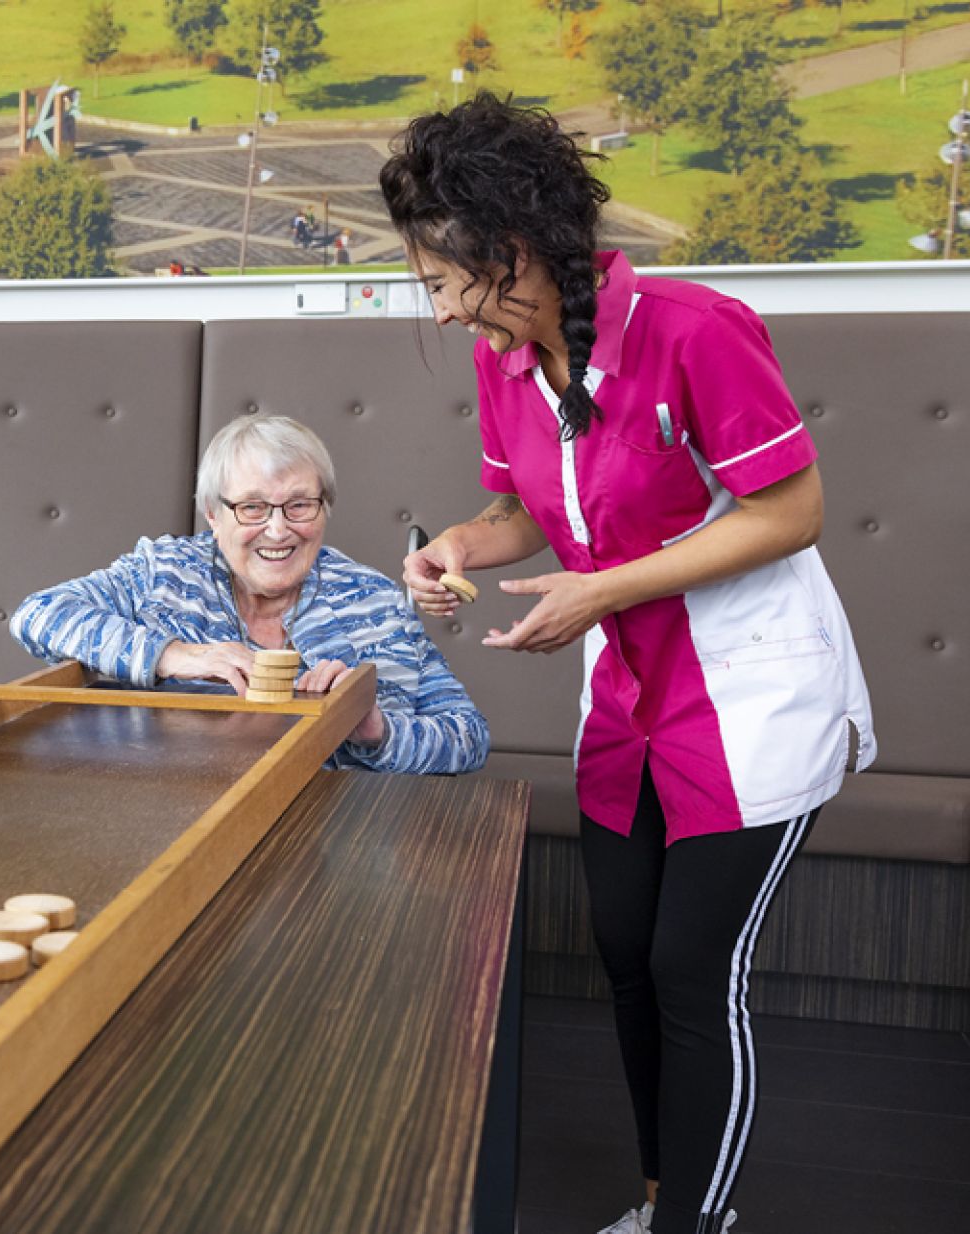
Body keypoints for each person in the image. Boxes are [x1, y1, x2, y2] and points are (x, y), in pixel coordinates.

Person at [381, 95, 875, 1234]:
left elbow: (791, 509)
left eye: (452, 282)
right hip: (632, 700)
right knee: (625, 952)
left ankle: (699, 1222)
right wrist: (459, 543)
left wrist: (604, 590)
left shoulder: (694, 328)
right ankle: (663, 1198)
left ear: (515, 251)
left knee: (695, 969)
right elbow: (528, 511)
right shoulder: (510, 364)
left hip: (750, 694)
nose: (450, 312)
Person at [10, 415, 488, 775]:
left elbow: (468, 737)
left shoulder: (374, 601)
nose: (278, 530)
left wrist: (376, 731)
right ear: (213, 513)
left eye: (299, 505)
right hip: (170, 821)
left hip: (337, 838)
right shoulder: (163, 575)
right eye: (253, 507)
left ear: (325, 509)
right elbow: (38, 614)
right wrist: (175, 655)